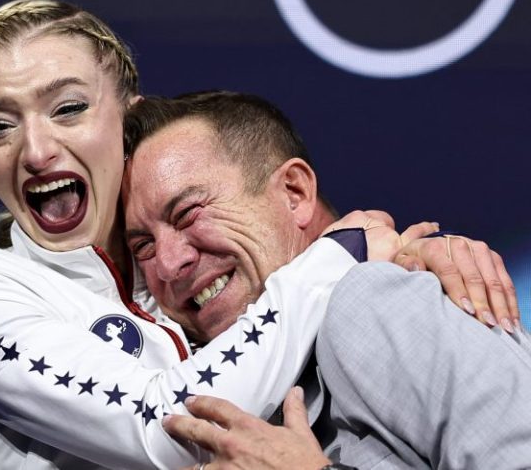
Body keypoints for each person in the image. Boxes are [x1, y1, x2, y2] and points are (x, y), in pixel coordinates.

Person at [0, 0, 517, 469]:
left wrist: (406, 259)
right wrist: (344, 250)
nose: (34, 148)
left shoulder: (174, 288)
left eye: (69, 108)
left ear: (124, 120)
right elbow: (161, 425)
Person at [116, 92, 531, 469]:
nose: (169, 264)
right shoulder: (202, 394)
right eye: (144, 248)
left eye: (188, 213)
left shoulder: (370, 302)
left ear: (294, 192)